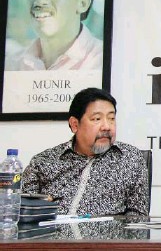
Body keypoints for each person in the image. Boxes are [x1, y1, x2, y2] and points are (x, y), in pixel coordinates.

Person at [22, 87, 149, 216]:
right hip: (51, 235)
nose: (106, 126)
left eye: (111, 118)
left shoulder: (130, 159)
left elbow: (137, 220)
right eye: (97, 119)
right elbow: (23, 212)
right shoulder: (43, 162)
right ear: (75, 125)